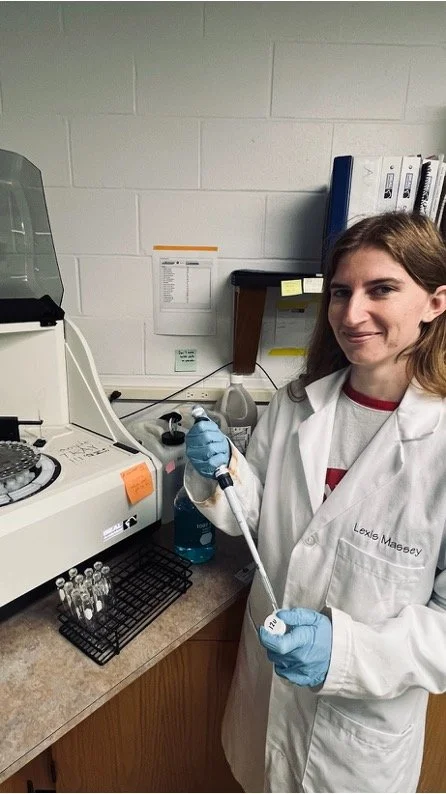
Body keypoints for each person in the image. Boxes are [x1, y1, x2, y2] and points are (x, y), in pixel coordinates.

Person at [184, 212, 446, 793]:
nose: (351, 314)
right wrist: (224, 469)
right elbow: (254, 518)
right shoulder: (297, 405)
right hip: (266, 705)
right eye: (340, 292)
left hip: (357, 739)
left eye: (381, 289)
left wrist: (347, 652)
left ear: (435, 302)